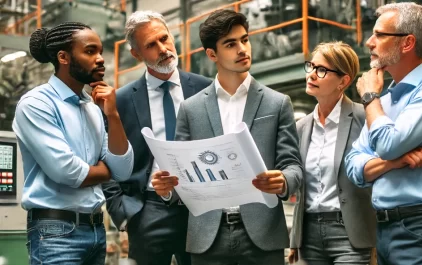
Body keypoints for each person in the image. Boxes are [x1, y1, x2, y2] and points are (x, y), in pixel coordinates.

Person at [152, 9, 303, 265]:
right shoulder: (191, 109)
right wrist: (167, 188)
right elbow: (181, 174)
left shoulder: (277, 103)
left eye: (244, 40)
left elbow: (294, 167)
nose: (242, 49)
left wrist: (284, 181)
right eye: (230, 44)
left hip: (262, 234)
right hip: (207, 236)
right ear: (212, 54)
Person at [345, 2, 422, 265]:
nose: (369, 42)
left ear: (407, 43)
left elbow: (386, 143)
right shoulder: (384, 102)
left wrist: (370, 97)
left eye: (379, 35)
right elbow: (353, 164)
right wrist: (395, 162)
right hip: (383, 229)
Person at [13, 22, 134, 265]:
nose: (101, 59)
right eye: (90, 51)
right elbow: (68, 171)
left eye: (100, 51)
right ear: (64, 57)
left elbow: (123, 170)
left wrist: (113, 115)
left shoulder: (92, 107)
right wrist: (105, 170)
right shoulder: (37, 104)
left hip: (95, 231)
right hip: (55, 232)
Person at [101, 11, 212, 265]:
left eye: (165, 38)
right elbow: (108, 160)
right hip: (148, 209)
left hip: (201, 206)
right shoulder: (121, 100)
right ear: (137, 54)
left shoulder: (206, 89)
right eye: (151, 45)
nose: (163, 49)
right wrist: (124, 213)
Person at [288, 41, 376, 265]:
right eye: (312, 66)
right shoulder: (301, 127)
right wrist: (295, 240)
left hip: (351, 234)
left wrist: (376, 238)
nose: (311, 75)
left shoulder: (364, 117)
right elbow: (301, 188)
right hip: (308, 237)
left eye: (322, 70)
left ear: (344, 81)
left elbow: (379, 179)